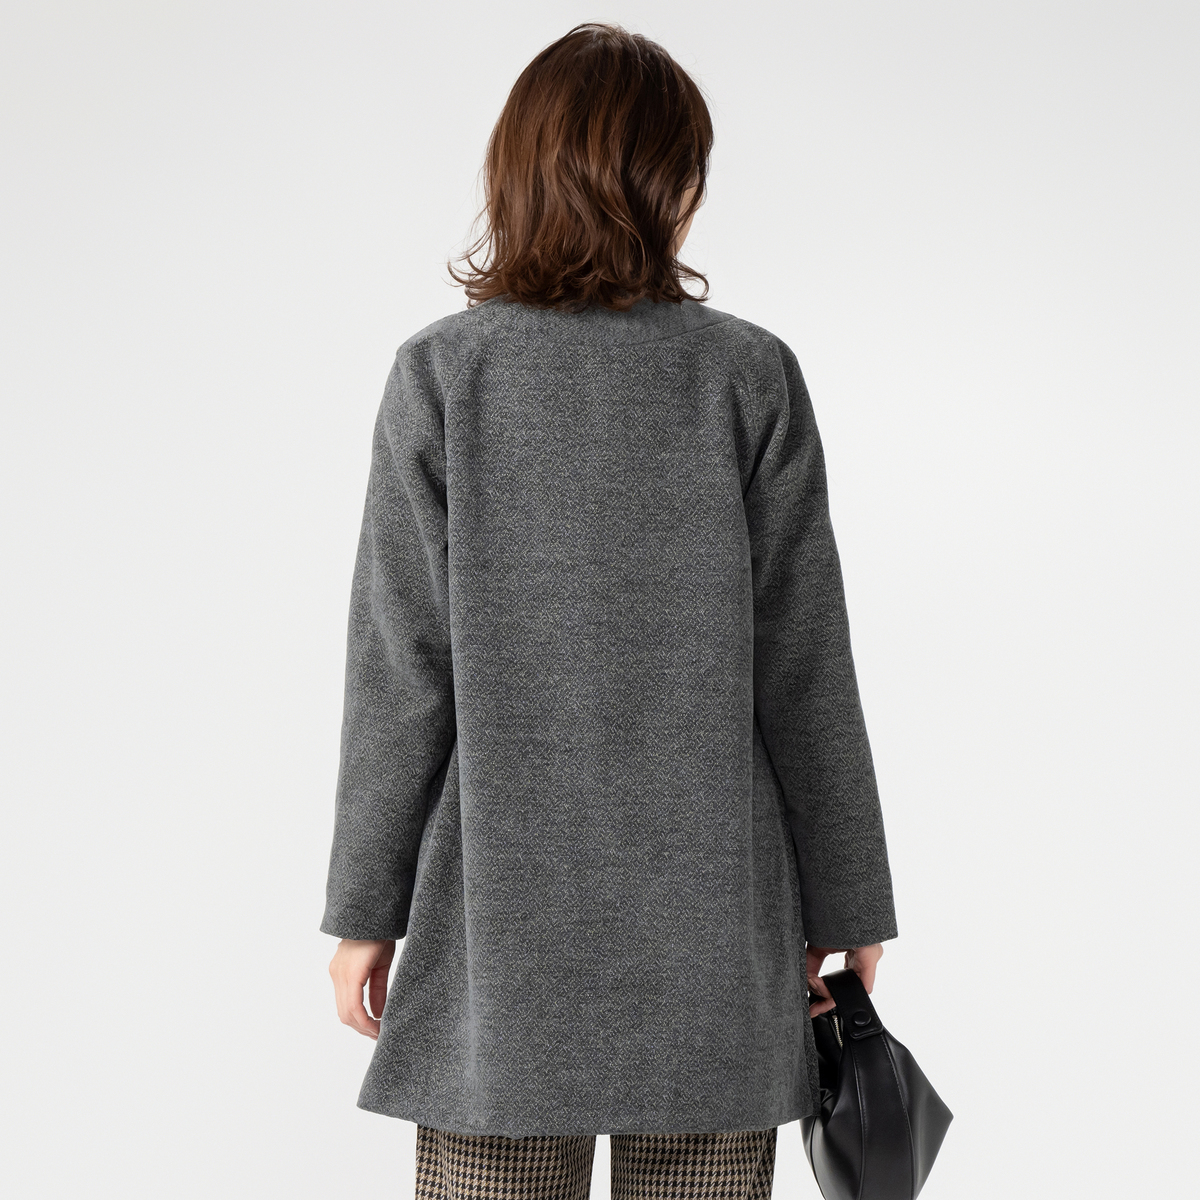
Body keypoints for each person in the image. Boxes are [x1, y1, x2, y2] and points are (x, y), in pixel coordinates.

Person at [321, 22, 898, 1200]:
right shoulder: (747, 375)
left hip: (501, 936)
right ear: (672, 182)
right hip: (715, 938)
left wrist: (363, 910)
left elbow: (401, 668)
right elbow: (804, 664)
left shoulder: (444, 375)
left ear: (515, 173)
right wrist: (850, 901)